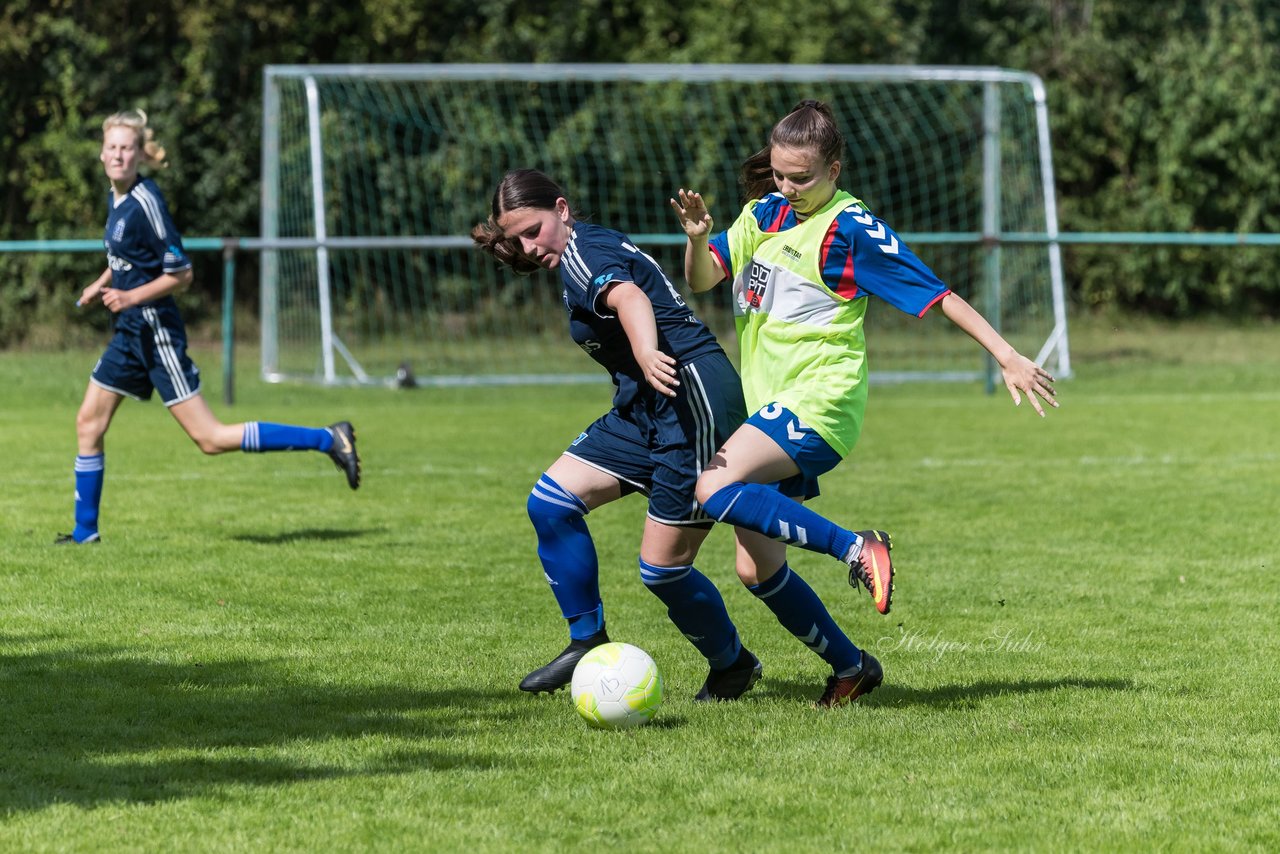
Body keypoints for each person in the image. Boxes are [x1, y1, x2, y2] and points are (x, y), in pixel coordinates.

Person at [670, 99, 1058, 707]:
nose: (789, 188)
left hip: (821, 400)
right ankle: (852, 668)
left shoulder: (850, 229)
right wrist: (697, 239)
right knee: (755, 570)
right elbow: (701, 280)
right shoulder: (760, 215)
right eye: (780, 174)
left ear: (836, 169)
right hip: (767, 408)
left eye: (803, 177)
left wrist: (1006, 355)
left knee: (712, 489)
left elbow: (937, 292)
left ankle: (857, 546)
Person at [472, 169, 764, 701]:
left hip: (688, 394)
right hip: (643, 406)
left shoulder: (585, 253)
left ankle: (733, 663)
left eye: (533, 231)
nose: (528, 247)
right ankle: (586, 640)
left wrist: (648, 350)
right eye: (516, 239)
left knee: (663, 571)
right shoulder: (574, 252)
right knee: (551, 503)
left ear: (561, 209)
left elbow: (629, 298)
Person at [56, 109, 360, 546]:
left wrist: (128, 297)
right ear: (102, 154)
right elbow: (125, 257)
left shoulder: (146, 201)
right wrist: (101, 283)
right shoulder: (117, 198)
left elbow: (180, 274)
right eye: (113, 147)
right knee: (88, 423)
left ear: (139, 154)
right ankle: (85, 534)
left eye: (127, 148)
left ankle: (328, 439)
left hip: (156, 332)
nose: (119, 155)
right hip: (129, 334)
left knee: (211, 438)